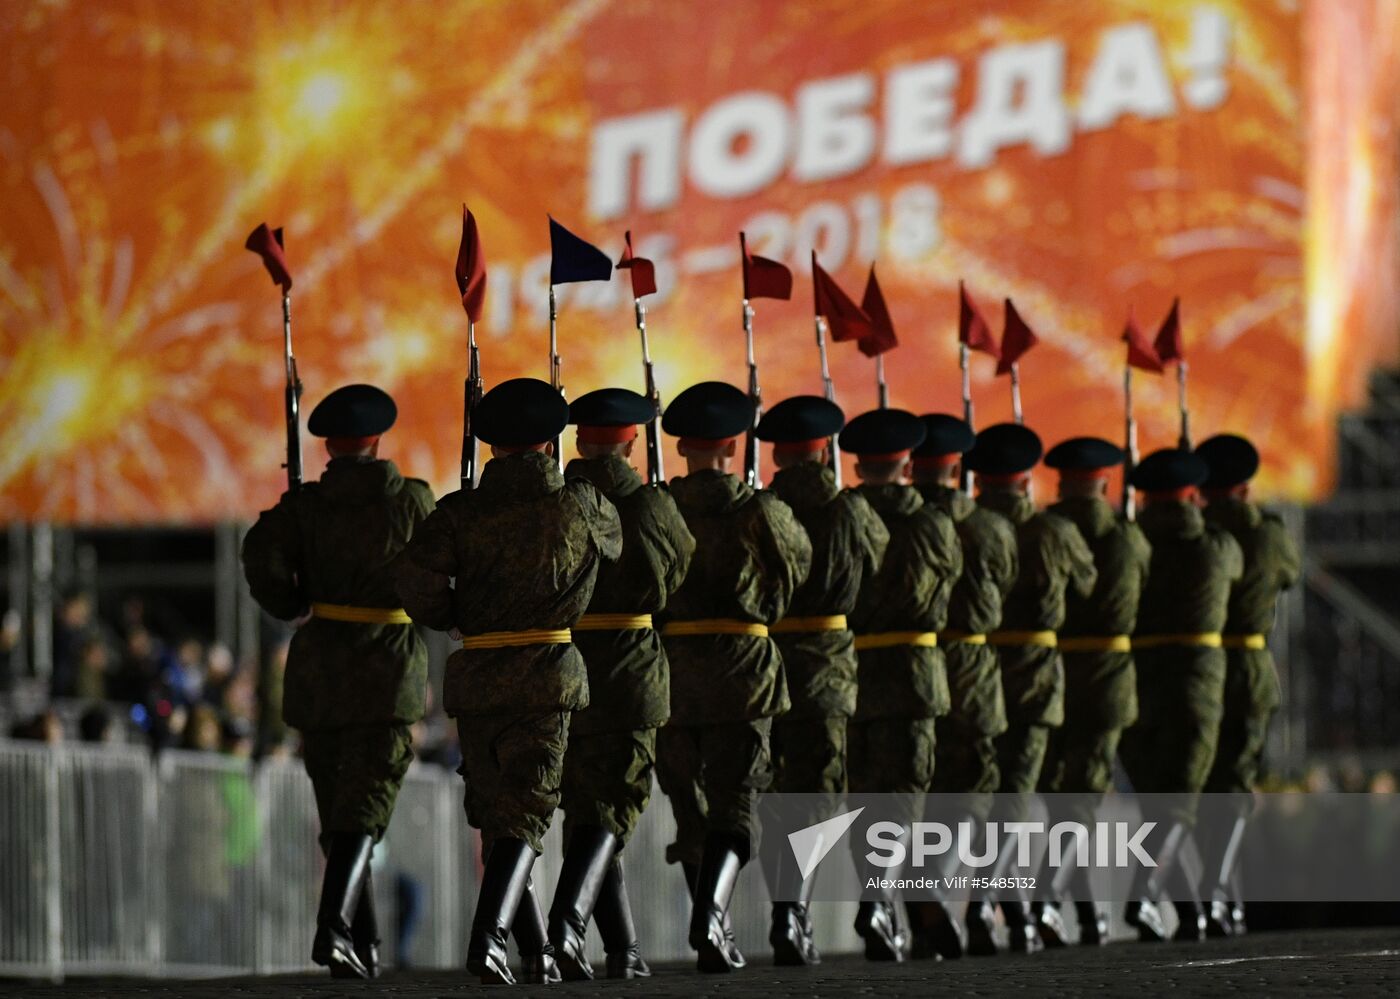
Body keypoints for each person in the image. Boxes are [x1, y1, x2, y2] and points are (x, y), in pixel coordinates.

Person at [394, 377, 622, 985]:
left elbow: (414, 581)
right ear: (552, 441)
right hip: (547, 675)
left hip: (479, 676)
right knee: (527, 809)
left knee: (501, 813)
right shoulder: (579, 503)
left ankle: (534, 951)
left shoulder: (460, 512)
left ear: (488, 444)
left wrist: (457, 617)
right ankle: (488, 937)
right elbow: (618, 543)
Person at [242, 383, 435, 979]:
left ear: (327, 446)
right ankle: (333, 927)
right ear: (377, 441)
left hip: (321, 668)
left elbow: (258, 552)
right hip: (387, 673)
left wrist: (293, 599)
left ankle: (364, 942)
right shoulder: (411, 501)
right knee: (367, 808)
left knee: (341, 812)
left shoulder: (306, 506)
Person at [653, 381, 811, 974]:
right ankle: (710, 918)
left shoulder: (661, 506)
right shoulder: (759, 510)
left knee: (691, 812)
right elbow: (797, 566)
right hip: (743, 674)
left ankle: (709, 918)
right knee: (736, 808)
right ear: (733, 443)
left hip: (671, 676)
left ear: (685, 444)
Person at [548, 387, 695, 980]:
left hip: (564, 665)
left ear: (579, 440)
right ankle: (567, 920)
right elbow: (678, 568)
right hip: (630, 666)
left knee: (588, 809)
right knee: (615, 805)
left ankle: (624, 949)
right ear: (633, 441)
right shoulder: (650, 506)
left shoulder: (557, 501)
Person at [754, 395, 888, 966]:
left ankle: (788, 910)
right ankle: (791, 914)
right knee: (818, 795)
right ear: (825, 451)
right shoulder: (848, 509)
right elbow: (878, 556)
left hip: (766, 665)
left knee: (774, 800)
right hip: (828, 669)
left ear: (779, 454)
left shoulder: (761, 506)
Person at [962, 423, 1095, 954]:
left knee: (985, 789)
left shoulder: (970, 528)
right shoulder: (1052, 531)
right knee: (1015, 791)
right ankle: (984, 901)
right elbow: (1087, 584)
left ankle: (1013, 909)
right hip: (1036, 673)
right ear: (1025, 478)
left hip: (979, 668)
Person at [840, 408, 962, 963]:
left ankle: (894, 908)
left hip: (855, 673)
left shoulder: (844, 516)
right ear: (908, 464)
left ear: (860, 463)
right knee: (905, 798)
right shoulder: (933, 523)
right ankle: (878, 901)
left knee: (865, 801)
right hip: (914, 674)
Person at [1119, 447, 1243, 942]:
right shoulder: (1216, 547)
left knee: (1156, 802)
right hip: (1196, 681)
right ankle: (1146, 888)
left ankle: (1189, 911)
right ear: (1192, 495)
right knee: (1181, 800)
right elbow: (1238, 564)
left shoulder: (1132, 542)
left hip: (1140, 681)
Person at [907, 413, 1016, 959]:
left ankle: (915, 912)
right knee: (972, 787)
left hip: (910, 660)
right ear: (958, 468)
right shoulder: (990, 527)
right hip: (971, 663)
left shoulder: (902, 519)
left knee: (912, 791)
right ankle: (947, 893)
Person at [1034, 437, 1151, 946]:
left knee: (1064, 799)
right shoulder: (1127, 537)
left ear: (1061, 482)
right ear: (1105, 482)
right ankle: (1044, 899)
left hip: (1051, 671)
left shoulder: (1042, 529)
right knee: (1081, 797)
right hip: (1107, 675)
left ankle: (1086, 915)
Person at [1196, 433, 1301, 936]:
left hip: (1194, 670)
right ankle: (1217, 891)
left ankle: (1221, 898)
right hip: (1248, 669)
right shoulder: (1268, 535)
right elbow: (1289, 574)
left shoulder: (1196, 531)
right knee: (1233, 788)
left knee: (1196, 787)